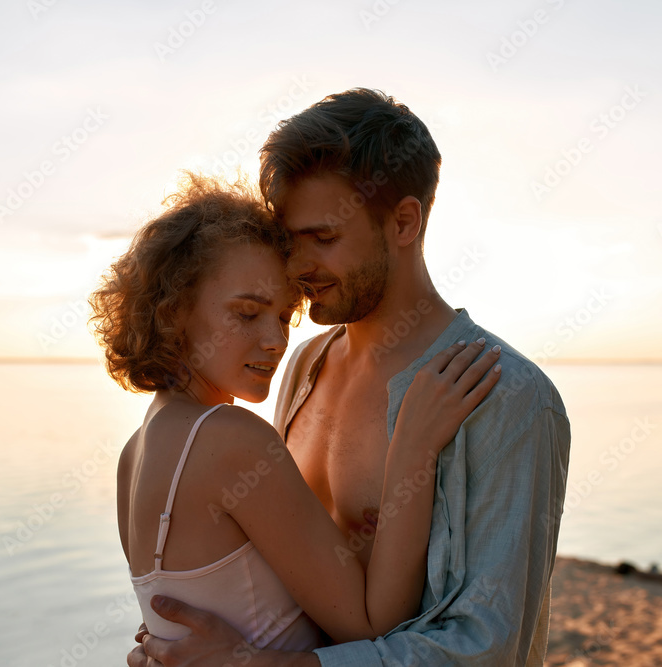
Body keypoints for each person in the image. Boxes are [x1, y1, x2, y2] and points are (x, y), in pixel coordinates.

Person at [130, 89, 571, 666]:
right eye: (292, 242)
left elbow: (487, 648)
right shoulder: (302, 365)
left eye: (325, 238)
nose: (299, 267)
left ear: (405, 223)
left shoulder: (507, 396)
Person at [89, 173, 503, 654]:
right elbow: (372, 626)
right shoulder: (230, 439)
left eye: (285, 316)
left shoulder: (133, 455)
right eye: (247, 313)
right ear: (173, 311)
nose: (276, 340)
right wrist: (413, 445)